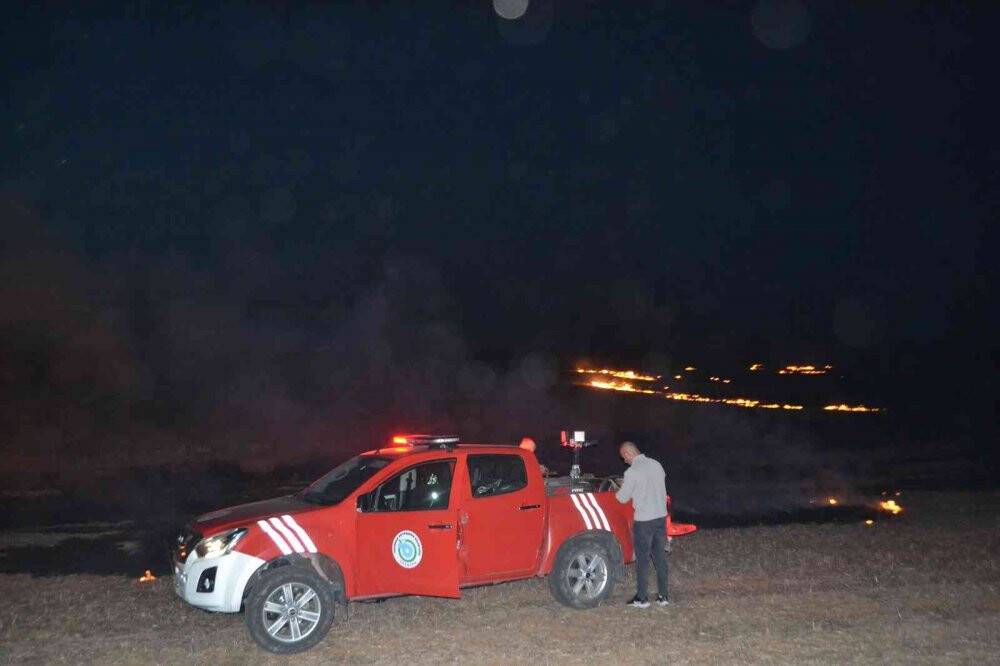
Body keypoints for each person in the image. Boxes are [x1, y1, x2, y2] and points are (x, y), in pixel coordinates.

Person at [614, 441, 669, 608]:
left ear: (628, 453)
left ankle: (642, 598)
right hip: (660, 517)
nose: (625, 461)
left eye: (624, 458)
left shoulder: (632, 472)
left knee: (643, 560)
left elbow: (622, 498)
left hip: (644, 521)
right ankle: (663, 596)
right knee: (660, 558)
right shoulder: (656, 464)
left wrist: (621, 486)